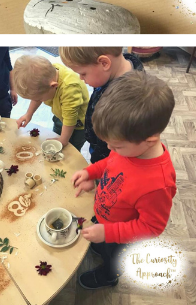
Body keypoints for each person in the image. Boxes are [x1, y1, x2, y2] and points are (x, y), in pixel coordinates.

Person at [71, 72, 177, 290]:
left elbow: (151, 227)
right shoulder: (128, 147)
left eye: (116, 146)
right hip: (106, 219)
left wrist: (109, 233)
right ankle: (102, 246)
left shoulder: (157, 185)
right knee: (103, 245)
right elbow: (110, 163)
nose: (111, 149)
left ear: (150, 141)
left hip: (123, 237)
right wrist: (91, 172)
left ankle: (108, 277)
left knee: (113, 260)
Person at [60, 47, 144, 163]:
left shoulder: (123, 102)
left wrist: (96, 165)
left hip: (107, 155)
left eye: (83, 73)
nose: (81, 78)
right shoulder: (111, 72)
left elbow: (110, 146)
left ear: (104, 63)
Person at [11, 54, 89, 151]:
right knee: (56, 135)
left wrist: (63, 141)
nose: (39, 101)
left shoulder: (70, 88)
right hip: (60, 115)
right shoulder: (49, 74)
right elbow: (37, 96)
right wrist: (29, 114)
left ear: (53, 86)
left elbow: (70, 119)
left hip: (78, 125)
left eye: (40, 98)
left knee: (70, 150)